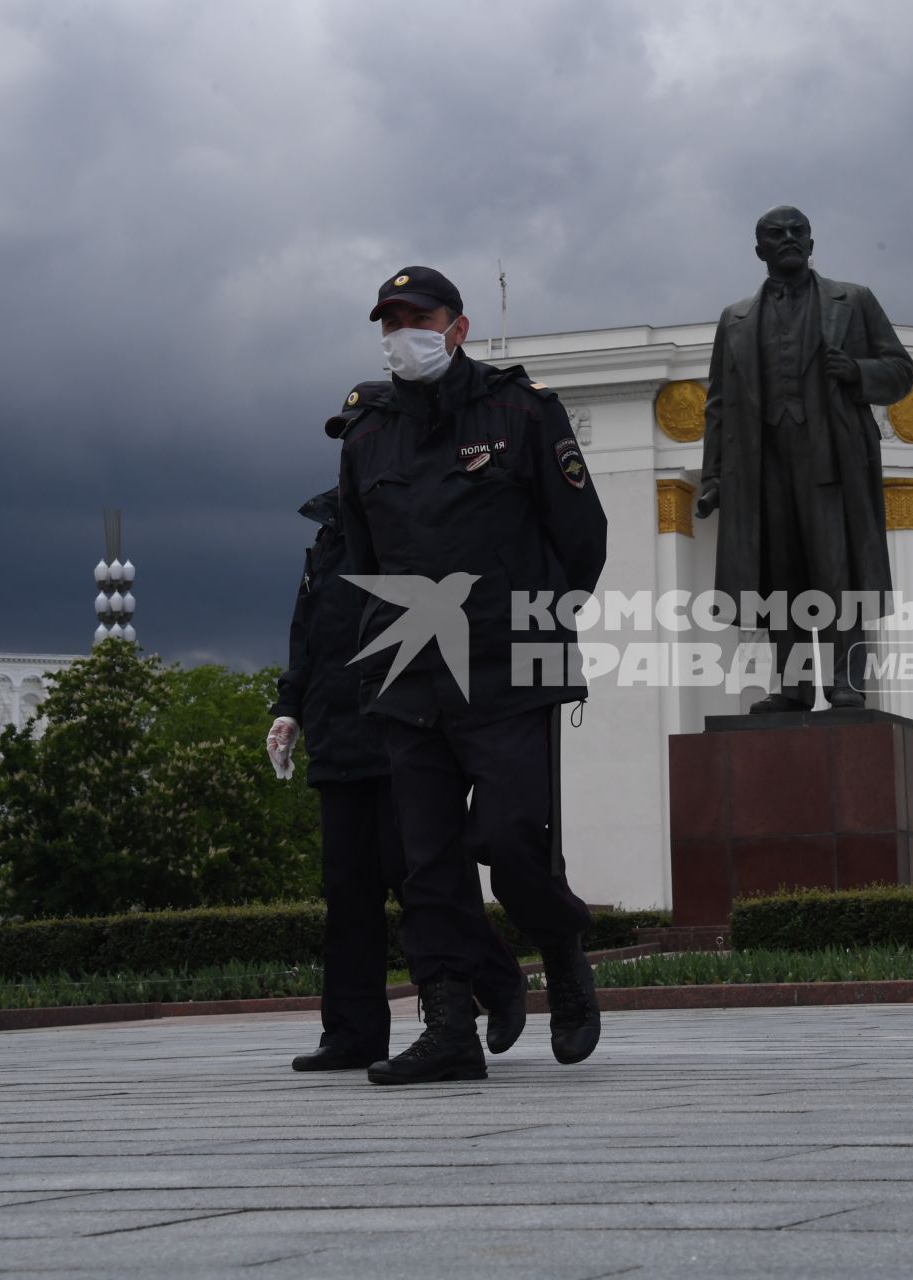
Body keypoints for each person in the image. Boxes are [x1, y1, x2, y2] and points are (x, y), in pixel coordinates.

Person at [333, 265, 609, 1086]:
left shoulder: (520, 411)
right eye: (389, 321)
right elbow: (363, 558)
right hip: (410, 674)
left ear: (455, 328)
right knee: (427, 864)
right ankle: (449, 1022)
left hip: (507, 670)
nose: (401, 334)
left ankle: (560, 946)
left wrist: (537, 634)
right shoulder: (367, 434)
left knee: (516, 847)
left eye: (416, 318)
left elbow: (581, 538)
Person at [267, 487, 529, 1072]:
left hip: (403, 737)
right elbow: (305, 638)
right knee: (348, 895)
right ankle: (353, 1032)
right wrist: (289, 710)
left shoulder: (403, 527)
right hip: (337, 744)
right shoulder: (326, 541)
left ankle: (499, 983)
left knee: (422, 883)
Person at [696, 205, 913, 710]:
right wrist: (713, 479)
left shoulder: (853, 301)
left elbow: (901, 369)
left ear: (812, 244)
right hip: (763, 466)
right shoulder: (736, 319)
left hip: (832, 463)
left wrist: (858, 371)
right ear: (760, 251)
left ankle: (845, 679)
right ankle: (795, 686)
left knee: (837, 573)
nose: (790, 238)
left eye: (799, 232)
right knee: (781, 576)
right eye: (777, 234)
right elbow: (719, 405)